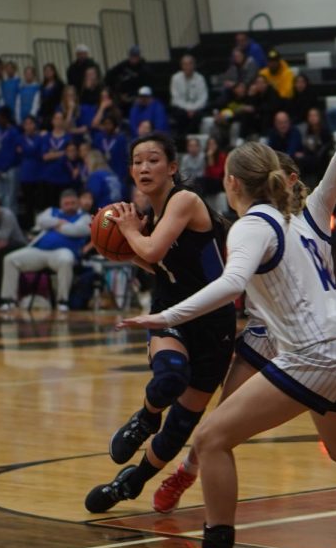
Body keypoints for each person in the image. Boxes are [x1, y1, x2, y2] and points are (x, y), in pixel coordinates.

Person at [122, 77, 336, 548]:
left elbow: (231, 283)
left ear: (232, 183)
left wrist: (165, 318)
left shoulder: (251, 225)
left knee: (211, 438)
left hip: (314, 353)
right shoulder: (313, 213)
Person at [82, 131, 235, 518]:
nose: (144, 167)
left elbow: (151, 248)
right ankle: (144, 418)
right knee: (168, 379)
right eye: (137, 161)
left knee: (181, 425)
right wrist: (118, 249)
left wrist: (130, 235)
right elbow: (155, 262)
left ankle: (131, 482)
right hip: (171, 310)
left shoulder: (184, 200)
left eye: (153, 160)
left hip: (214, 320)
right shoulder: (147, 215)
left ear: (172, 167)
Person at [170, 55, 209, 138]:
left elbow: (203, 98)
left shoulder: (200, 78)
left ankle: (189, 138)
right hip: (181, 108)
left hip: (196, 108)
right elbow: (176, 98)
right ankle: (183, 139)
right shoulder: (175, 78)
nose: (187, 66)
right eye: (185, 64)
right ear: (181, 66)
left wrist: (193, 109)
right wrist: (188, 109)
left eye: (190, 64)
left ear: (194, 65)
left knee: (197, 116)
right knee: (180, 115)